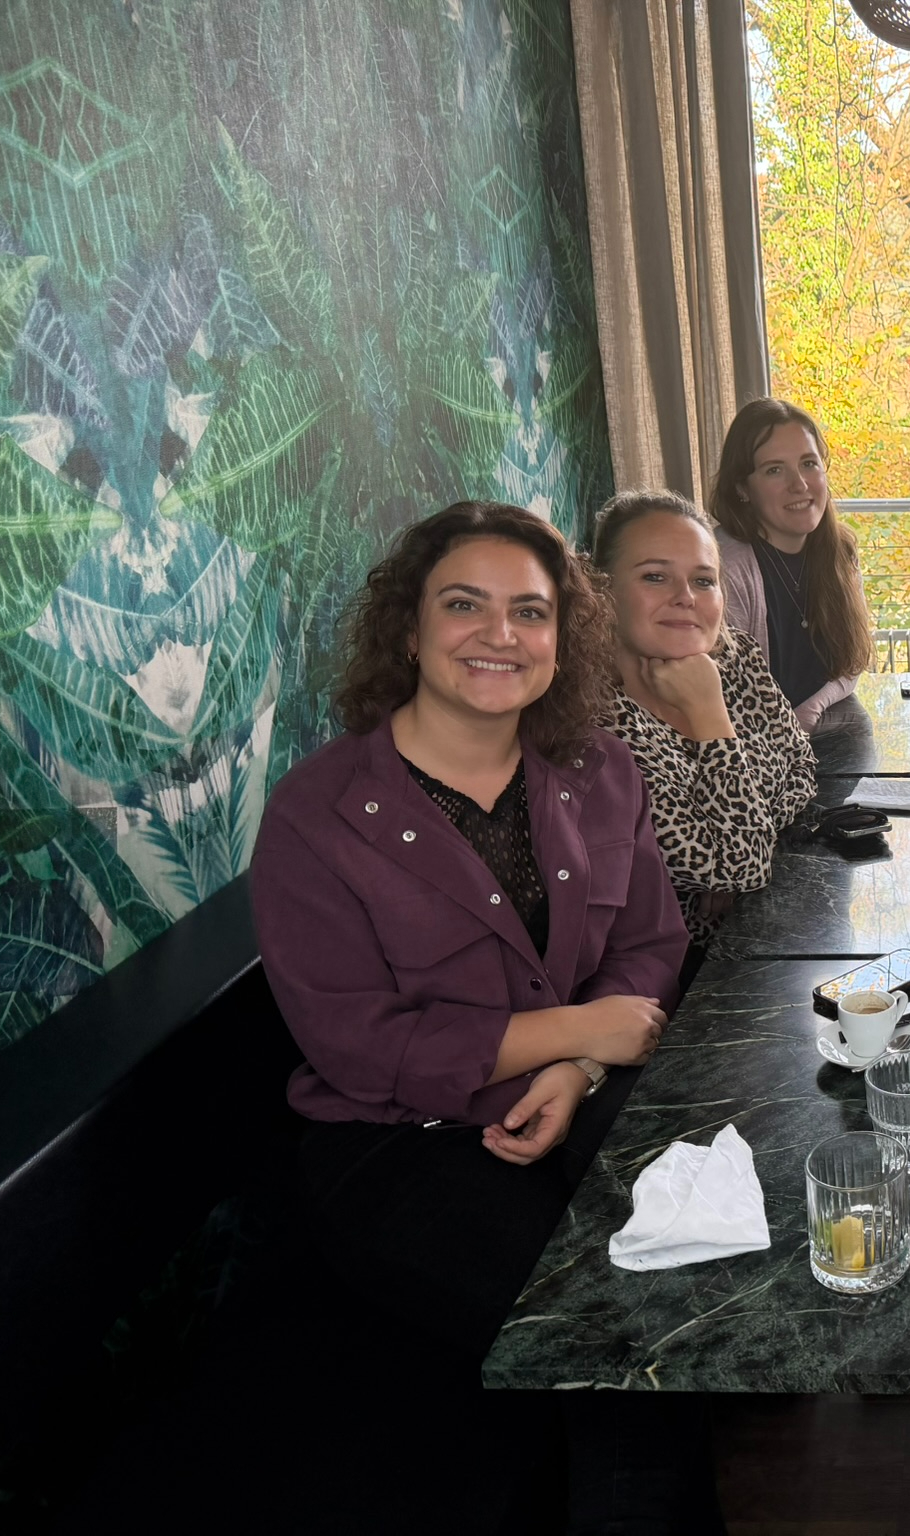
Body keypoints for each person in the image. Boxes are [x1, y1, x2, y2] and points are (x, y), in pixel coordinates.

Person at [249, 500, 725, 1533]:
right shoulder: (315, 816)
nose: (500, 635)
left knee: (695, 1281)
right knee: (607, 1337)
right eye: (464, 605)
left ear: (563, 637)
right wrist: (576, 1035)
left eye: (530, 611)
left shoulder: (599, 771)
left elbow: (648, 942)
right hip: (400, 1142)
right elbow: (359, 1045)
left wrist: (579, 1070)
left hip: (583, 1095)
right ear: (409, 630)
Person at [595, 489, 818, 952]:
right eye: (655, 577)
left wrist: (740, 848)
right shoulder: (596, 723)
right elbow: (744, 865)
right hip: (678, 977)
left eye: (704, 580)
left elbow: (800, 768)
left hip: (763, 934)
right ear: (602, 589)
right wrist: (708, 714)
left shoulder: (734, 655)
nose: (685, 598)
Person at [709, 397, 876, 733]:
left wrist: (813, 707)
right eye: (774, 470)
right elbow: (729, 701)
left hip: (821, 732)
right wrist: (794, 727)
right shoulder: (723, 567)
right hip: (754, 750)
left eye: (808, 464)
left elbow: (852, 662)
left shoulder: (840, 550)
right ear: (742, 488)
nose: (799, 484)